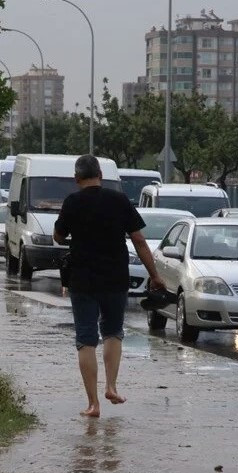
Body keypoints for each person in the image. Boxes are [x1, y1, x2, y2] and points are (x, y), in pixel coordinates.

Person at [54, 155, 165, 418]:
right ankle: (112, 387)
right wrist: (155, 275)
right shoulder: (118, 200)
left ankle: (93, 404)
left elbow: (58, 237)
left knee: (86, 339)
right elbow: (138, 239)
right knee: (113, 332)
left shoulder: (72, 202)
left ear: (76, 178)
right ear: (100, 176)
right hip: (115, 278)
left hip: (82, 280)